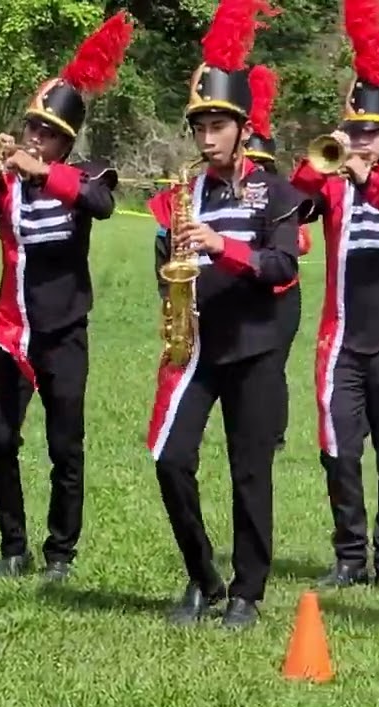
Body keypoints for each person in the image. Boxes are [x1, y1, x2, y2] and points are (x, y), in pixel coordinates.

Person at [0, 12, 133, 582]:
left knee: (65, 447)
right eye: (31, 127)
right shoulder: (7, 179)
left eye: (47, 132)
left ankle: (61, 553)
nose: (34, 138)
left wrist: (42, 172)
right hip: (10, 331)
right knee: (1, 440)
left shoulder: (86, 175)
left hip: (63, 331)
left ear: (66, 141)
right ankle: (13, 544)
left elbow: (100, 205)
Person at [146, 0, 298, 630]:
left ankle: (247, 593)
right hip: (199, 345)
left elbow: (282, 267)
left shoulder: (276, 190)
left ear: (241, 127)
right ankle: (203, 576)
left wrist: (222, 247)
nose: (206, 136)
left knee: (248, 472)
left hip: (256, 346)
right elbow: (165, 264)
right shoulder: (184, 193)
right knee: (170, 459)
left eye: (217, 124)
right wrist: (173, 265)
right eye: (199, 125)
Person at [290, 0, 379, 588]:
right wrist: (330, 154)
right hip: (341, 344)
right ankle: (347, 555)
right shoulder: (335, 182)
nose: (360, 141)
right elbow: (295, 198)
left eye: (371, 133)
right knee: (338, 449)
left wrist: (370, 178)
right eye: (354, 131)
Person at [242, 65, 314, 451]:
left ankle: (276, 435)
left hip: (284, 294)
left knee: (275, 366)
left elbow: (303, 242)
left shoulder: (281, 193)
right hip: (249, 288)